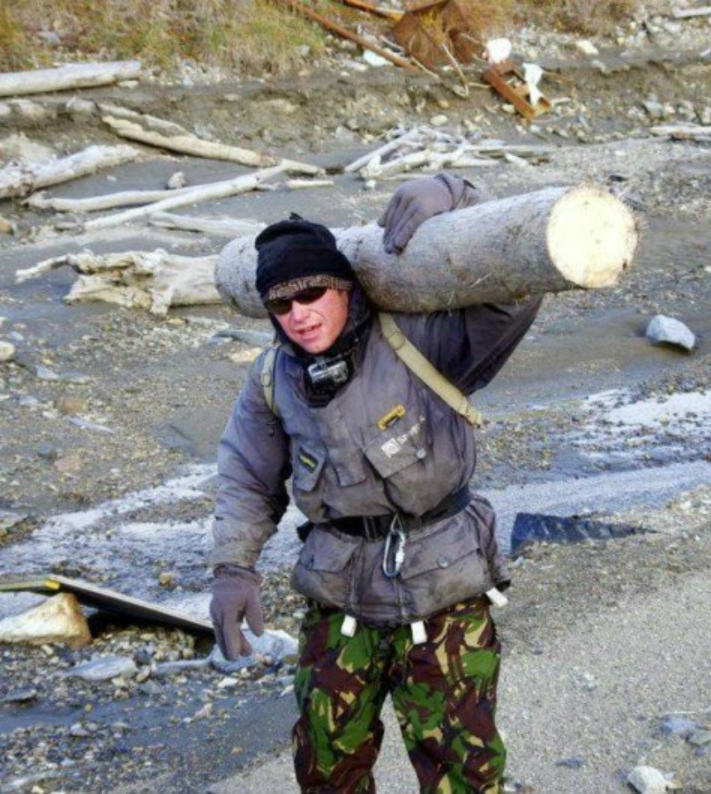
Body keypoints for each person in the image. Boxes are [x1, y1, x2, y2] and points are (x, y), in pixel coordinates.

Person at [209, 173, 542, 794]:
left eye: (313, 294)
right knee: (326, 769)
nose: (300, 315)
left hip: (443, 591)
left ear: (344, 287)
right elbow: (246, 479)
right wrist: (233, 568)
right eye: (282, 304)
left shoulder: (424, 341)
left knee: (464, 775)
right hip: (340, 598)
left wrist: (455, 195)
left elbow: (510, 290)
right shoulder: (271, 381)